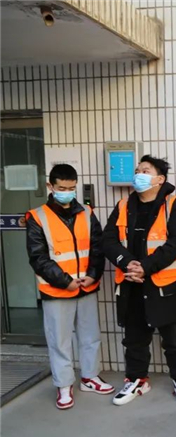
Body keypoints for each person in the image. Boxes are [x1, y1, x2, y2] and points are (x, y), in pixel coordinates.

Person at [103, 155, 176, 406]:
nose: (139, 174)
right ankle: (137, 380)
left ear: (160, 179)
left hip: (166, 286)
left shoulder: (174, 206)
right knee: (134, 338)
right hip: (130, 284)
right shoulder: (123, 206)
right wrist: (127, 263)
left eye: (145, 170)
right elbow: (108, 240)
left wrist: (145, 267)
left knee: (174, 339)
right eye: (137, 170)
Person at [26, 164, 113, 409]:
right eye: (62, 188)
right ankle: (64, 385)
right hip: (56, 290)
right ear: (50, 186)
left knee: (90, 336)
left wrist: (92, 275)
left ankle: (90, 377)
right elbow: (38, 257)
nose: (67, 192)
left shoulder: (86, 212)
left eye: (71, 188)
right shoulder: (37, 217)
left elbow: (97, 248)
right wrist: (65, 281)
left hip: (86, 286)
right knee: (59, 341)